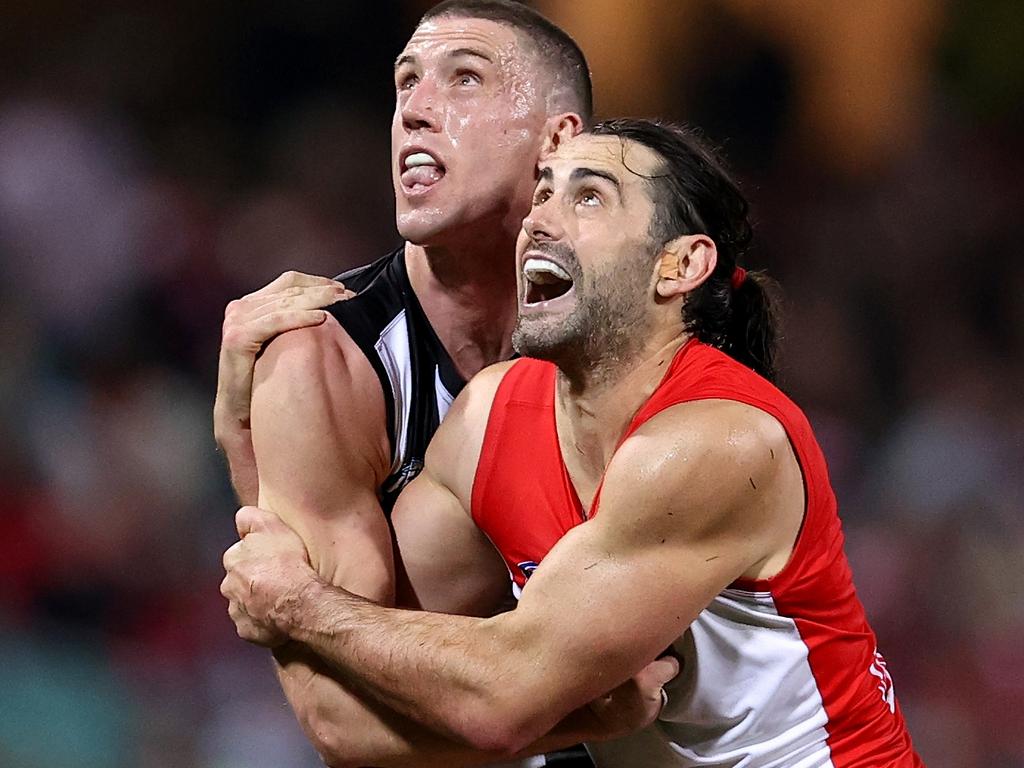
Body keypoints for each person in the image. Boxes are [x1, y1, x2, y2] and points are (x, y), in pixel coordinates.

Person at [222, 119, 925, 767]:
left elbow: (494, 698)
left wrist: (299, 606)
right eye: (543, 194)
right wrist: (248, 441)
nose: (538, 220)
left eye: (589, 198)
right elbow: (345, 718)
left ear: (679, 266)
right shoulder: (489, 419)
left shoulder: (719, 441)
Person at [213, 1, 670, 765]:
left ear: (558, 140)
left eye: (464, 80)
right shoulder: (321, 360)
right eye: (405, 83)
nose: (416, 111)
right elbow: (339, 724)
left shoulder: (641, 337)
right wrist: (589, 717)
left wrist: (297, 601)